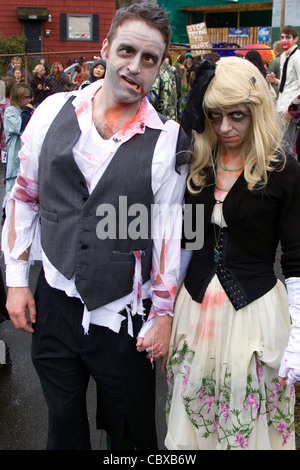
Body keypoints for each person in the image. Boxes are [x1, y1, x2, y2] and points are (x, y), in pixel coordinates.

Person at [2, 2, 189, 450]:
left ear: (160, 66)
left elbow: (170, 236)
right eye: (127, 51)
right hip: (55, 297)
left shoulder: (168, 140)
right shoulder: (50, 111)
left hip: (124, 313)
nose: (135, 67)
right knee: (63, 424)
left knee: (130, 432)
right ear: (104, 48)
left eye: (150, 59)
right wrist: (15, 282)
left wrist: (163, 316)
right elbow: (24, 197)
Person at [165, 56, 300, 450]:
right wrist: (161, 306)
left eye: (237, 115)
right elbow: (185, 243)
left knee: (246, 427)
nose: (225, 127)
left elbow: (295, 259)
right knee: (194, 423)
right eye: (216, 115)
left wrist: (299, 337)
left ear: (256, 112)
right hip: (194, 314)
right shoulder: (198, 164)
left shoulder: (284, 170)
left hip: (254, 318)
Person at [266, 25, 300, 155]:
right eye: (282, 37)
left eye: (288, 37)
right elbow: (289, 84)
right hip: (281, 105)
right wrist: (276, 81)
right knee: (279, 144)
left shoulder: (297, 57)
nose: (284, 40)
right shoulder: (284, 57)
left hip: (290, 108)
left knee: (285, 147)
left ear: (295, 39)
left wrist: (291, 108)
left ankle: (289, 173)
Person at [3, 82, 34, 200]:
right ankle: (6, 216)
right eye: (26, 97)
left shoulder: (29, 111)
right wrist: (26, 111)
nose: (29, 100)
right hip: (15, 160)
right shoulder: (10, 111)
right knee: (11, 194)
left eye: (29, 97)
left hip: (27, 161)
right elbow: (19, 126)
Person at [0, 77, 15, 184]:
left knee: (4, 158)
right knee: (12, 159)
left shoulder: (1, 103)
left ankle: (5, 176)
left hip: (3, 138)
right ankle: (9, 177)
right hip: (10, 137)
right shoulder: (11, 104)